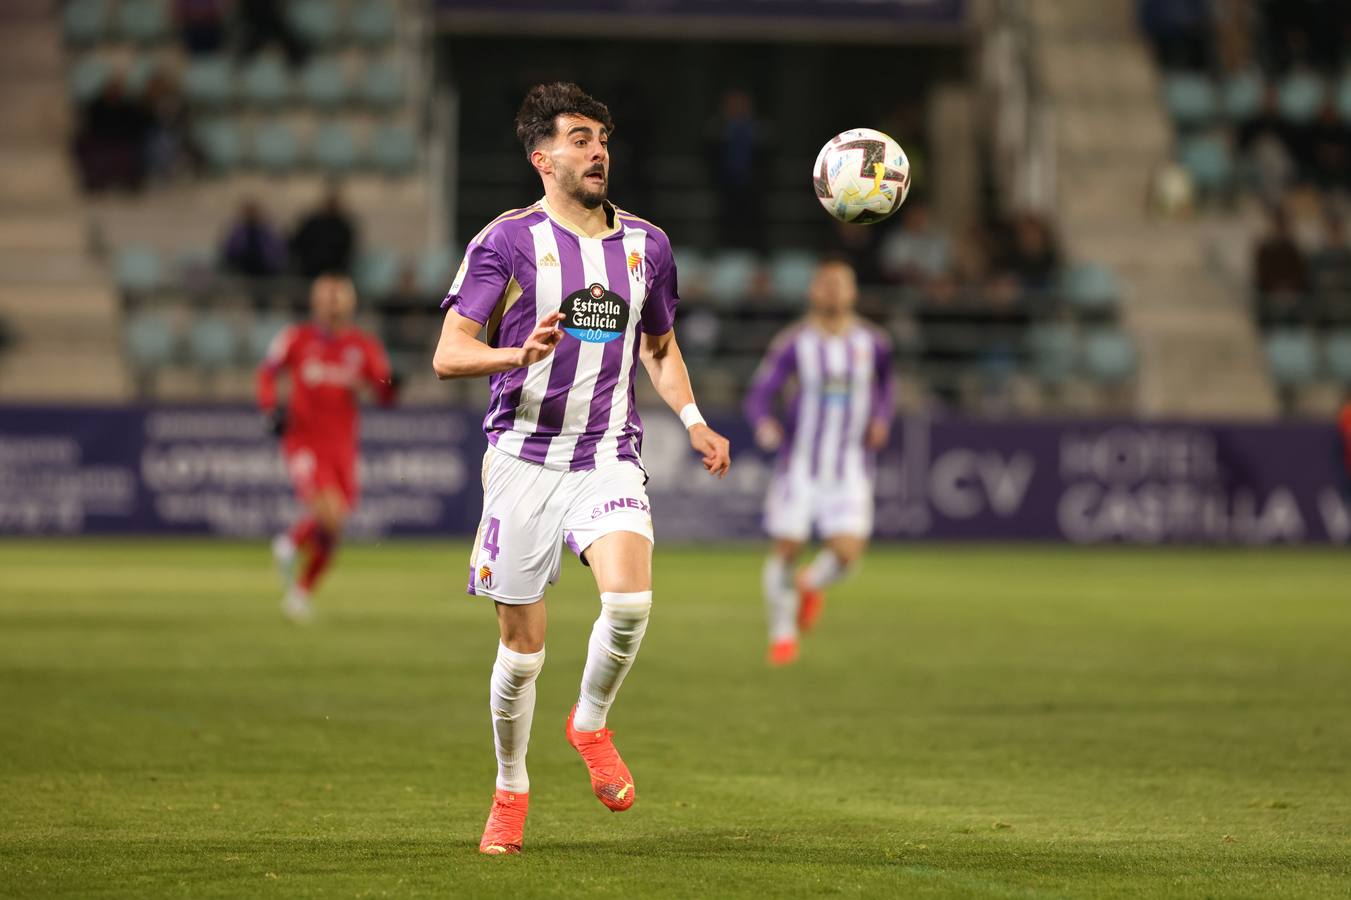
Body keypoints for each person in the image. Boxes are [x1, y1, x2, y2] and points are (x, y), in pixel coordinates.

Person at [431, 82, 730, 855]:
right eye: (578, 139)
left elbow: (658, 348)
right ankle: (510, 790)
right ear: (542, 158)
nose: (597, 151)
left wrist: (693, 420)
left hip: (606, 455)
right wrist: (514, 353)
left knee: (629, 603)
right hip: (522, 460)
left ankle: (590, 724)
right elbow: (448, 354)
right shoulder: (506, 242)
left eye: (601, 138)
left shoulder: (646, 245)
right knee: (521, 653)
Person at [744, 257, 894, 666]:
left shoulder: (873, 342)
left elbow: (886, 386)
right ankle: (782, 635)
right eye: (825, 284)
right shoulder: (794, 342)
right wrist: (765, 424)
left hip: (850, 465)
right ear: (813, 291)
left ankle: (810, 583)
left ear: (853, 292)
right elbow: (759, 394)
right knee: (787, 546)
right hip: (801, 465)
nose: (832, 291)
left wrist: (881, 419)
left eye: (840, 284)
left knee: (847, 554)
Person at [257, 274, 399, 623]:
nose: (334, 304)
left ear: (351, 303)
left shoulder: (363, 346)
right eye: (327, 297)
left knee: (334, 526)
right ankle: (291, 545)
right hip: (304, 441)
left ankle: (299, 587)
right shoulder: (296, 338)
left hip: (342, 446)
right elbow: (267, 373)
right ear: (315, 302)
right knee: (330, 513)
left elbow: (383, 390)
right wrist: (271, 409)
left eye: (339, 297)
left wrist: (391, 386)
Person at [291, 187, 357, 278]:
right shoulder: (313, 224)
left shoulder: (343, 227)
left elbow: (346, 251)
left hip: (334, 274)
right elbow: (299, 243)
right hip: (311, 271)